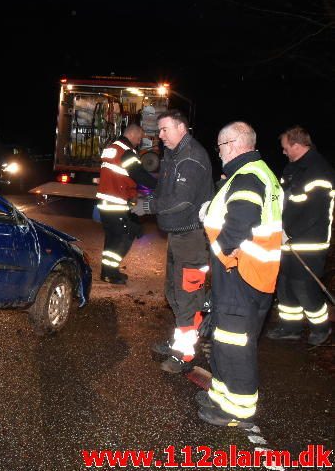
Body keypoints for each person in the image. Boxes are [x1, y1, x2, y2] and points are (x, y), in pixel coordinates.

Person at [199, 121, 282, 427]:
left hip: (241, 274)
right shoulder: (263, 173)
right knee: (224, 338)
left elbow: (239, 224)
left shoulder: (247, 176)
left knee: (235, 343)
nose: (219, 153)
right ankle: (221, 395)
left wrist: (220, 254)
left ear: (232, 145)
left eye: (220, 147)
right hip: (252, 275)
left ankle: (239, 409)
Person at [132, 109, 214, 373]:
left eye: (165, 129)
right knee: (174, 293)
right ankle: (180, 340)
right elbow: (164, 189)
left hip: (192, 238)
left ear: (182, 128)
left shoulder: (191, 158)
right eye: (159, 130)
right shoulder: (173, 154)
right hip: (178, 236)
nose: (161, 135)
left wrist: (148, 206)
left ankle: (184, 355)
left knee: (188, 297)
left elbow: (182, 200)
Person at [266, 126, 334, 346]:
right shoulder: (292, 170)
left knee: (305, 287)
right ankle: (290, 327)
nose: (284, 152)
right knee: (285, 285)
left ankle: (321, 328)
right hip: (287, 239)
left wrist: (289, 232)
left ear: (297, 145)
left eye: (286, 148)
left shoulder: (319, 171)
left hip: (309, 243)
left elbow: (315, 211)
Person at [96, 124, 157, 284]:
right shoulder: (126, 152)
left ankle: (108, 272)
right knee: (125, 236)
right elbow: (139, 174)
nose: (139, 142)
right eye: (139, 138)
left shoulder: (112, 148)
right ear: (132, 134)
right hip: (118, 202)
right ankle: (110, 273)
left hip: (106, 202)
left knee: (112, 238)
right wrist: (161, 186)